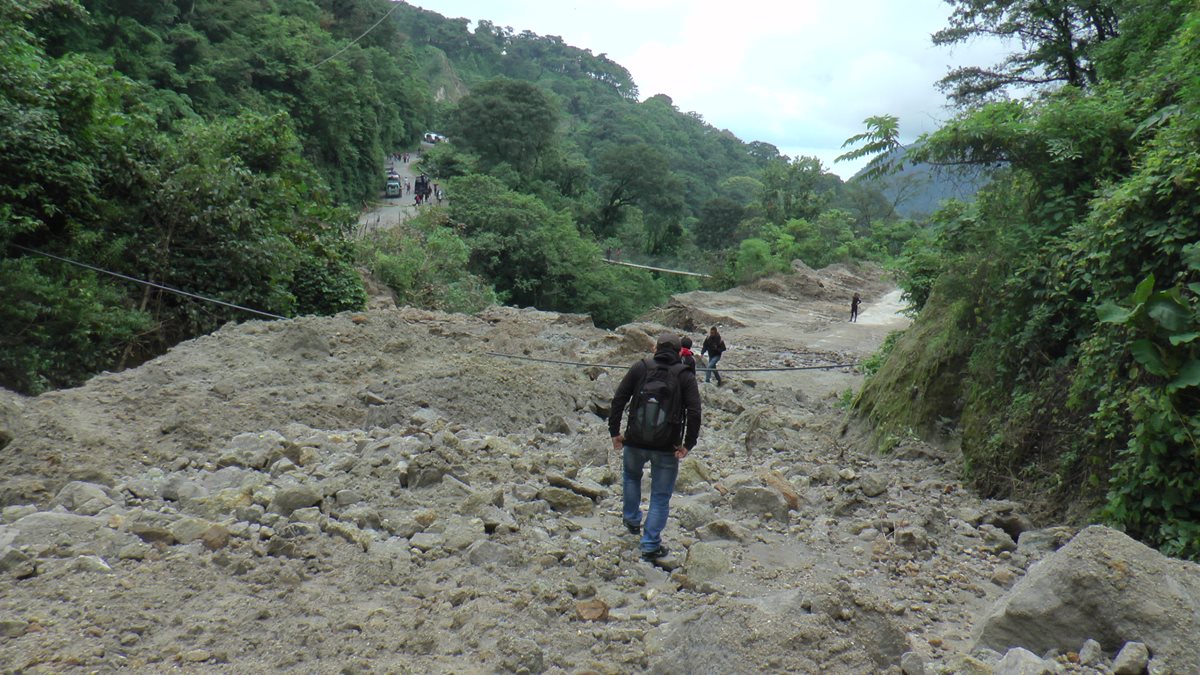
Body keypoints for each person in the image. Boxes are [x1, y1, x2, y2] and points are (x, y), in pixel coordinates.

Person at [609, 333, 702, 561]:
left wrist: (615, 433)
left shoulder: (640, 368)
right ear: (680, 352)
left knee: (631, 477)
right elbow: (694, 412)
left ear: (655, 348)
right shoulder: (684, 375)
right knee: (660, 496)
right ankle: (650, 545)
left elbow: (619, 399)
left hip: (635, 440)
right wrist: (688, 444)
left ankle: (631, 521)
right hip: (667, 446)